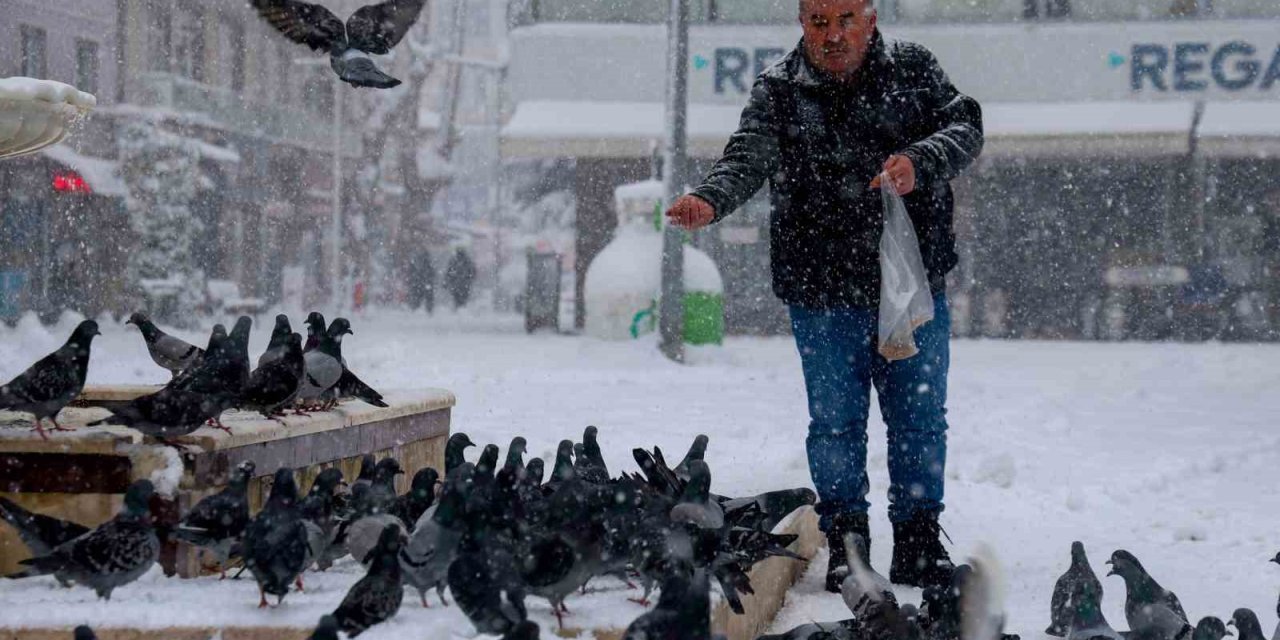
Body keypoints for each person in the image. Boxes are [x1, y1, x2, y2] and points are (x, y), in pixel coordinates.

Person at [665, 0, 983, 590]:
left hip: (910, 289)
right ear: (801, 22)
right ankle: (847, 543)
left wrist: (920, 160)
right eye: (818, 22)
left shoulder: (914, 69)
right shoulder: (779, 89)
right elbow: (746, 158)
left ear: (871, 18)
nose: (832, 35)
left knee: (919, 420)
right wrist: (710, 200)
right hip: (822, 288)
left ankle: (917, 539)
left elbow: (966, 128)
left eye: (845, 20)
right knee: (835, 423)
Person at [407, 248, 436, 314]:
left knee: (417, 299)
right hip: (426, 284)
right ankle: (428, 312)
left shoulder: (415, 263)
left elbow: (411, 274)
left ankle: (414, 311)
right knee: (428, 299)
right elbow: (432, 274)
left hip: (417, 284)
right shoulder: (428, 264)